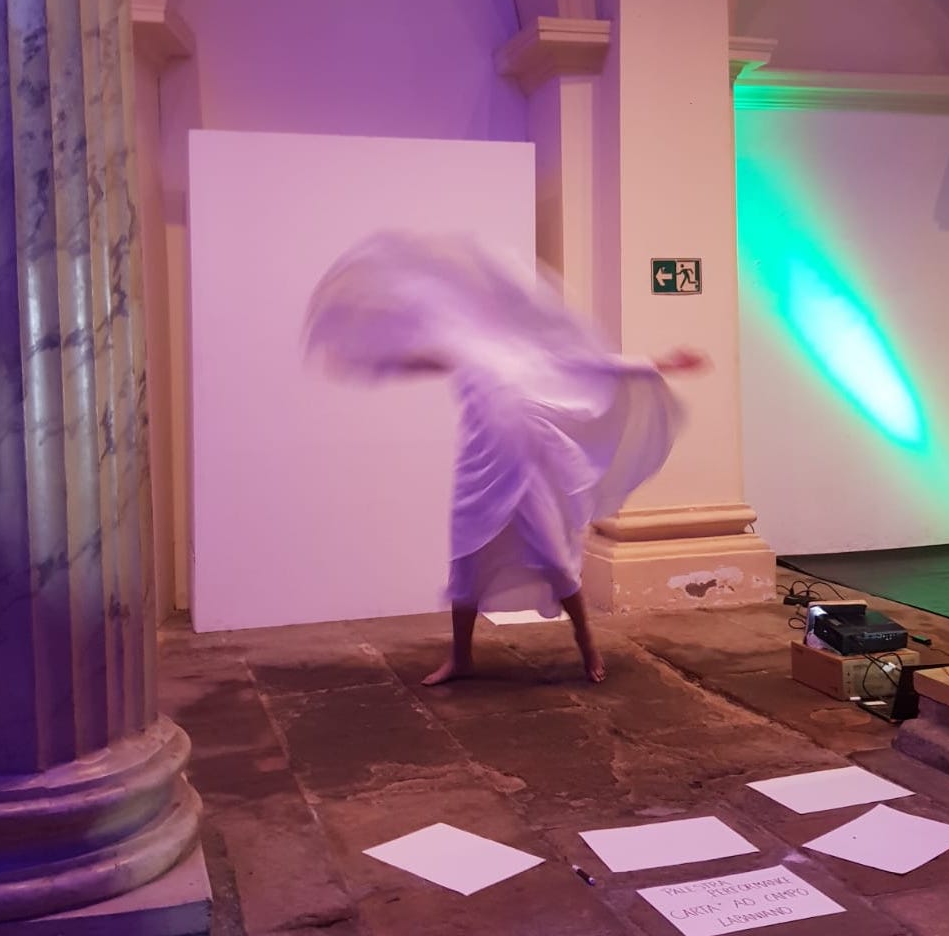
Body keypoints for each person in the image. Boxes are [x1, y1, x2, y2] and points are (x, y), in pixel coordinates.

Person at [303, 231, 708, 686]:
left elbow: (596, 362)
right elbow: (416, 358)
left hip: (527, 471)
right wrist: (366, 361)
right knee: (466, 564)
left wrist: (661, 362)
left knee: (554, 560)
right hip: (479, 472)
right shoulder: (464, 345)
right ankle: (461, 658)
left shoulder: (532, 350)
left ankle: (586, 643)